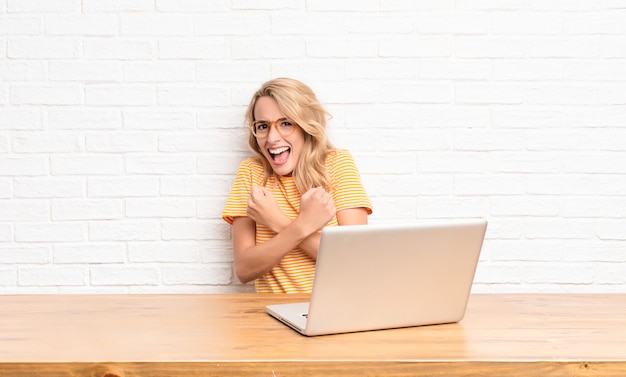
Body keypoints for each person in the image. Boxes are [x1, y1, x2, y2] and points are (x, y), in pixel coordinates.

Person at [222, 78, 373, 293]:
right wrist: (303, 224)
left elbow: (353, 263)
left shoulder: (336, 164)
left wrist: (276, 221)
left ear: (306, 127)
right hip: (272, 314)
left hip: (334, 309)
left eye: (286, 123)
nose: (272, 138)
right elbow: (245, 270)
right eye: (263, 126)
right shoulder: (251, 172)